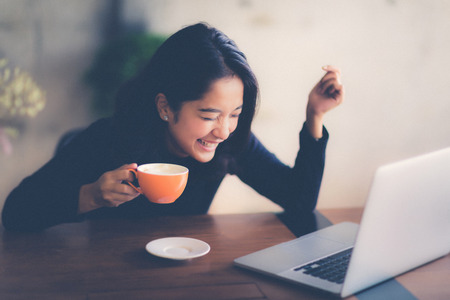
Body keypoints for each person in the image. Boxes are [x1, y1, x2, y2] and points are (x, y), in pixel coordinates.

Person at [2, 23, 344, 231]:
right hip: (107, 276)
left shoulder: (230, 143)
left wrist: (315, 116)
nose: (223, 130)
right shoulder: (109, 139)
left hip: (188, 274)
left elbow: (299, 202)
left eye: (235, 113)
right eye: (209, 115)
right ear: (165, 106)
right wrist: (90, 195)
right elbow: (15, 213)